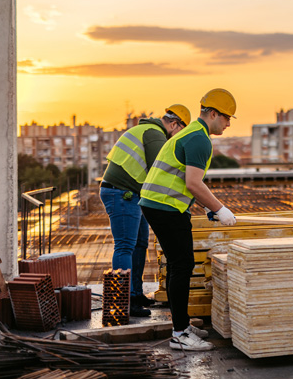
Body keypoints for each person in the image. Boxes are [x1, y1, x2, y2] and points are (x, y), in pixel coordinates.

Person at [140, 89, 237, 351]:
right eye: (227, 117)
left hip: (160, 204)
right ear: (213, 114)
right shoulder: (199, 140)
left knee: (178, 265)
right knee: (182, 266)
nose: (228, 124)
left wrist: (208, 207)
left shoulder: (192, 132)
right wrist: (220, 209)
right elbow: (193, 183)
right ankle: (180, 334)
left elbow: (184, 180)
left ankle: (181, 325)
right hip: (165, 207)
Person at [100, 104, 191, 318]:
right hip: (121, 193)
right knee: (125, 246)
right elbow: (160, 171)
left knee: (140, 243)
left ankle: (135, 294)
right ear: (175, 124)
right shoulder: (154, 134)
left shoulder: (150, 131)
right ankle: (124, 301)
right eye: (181, 133)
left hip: (131, 194)